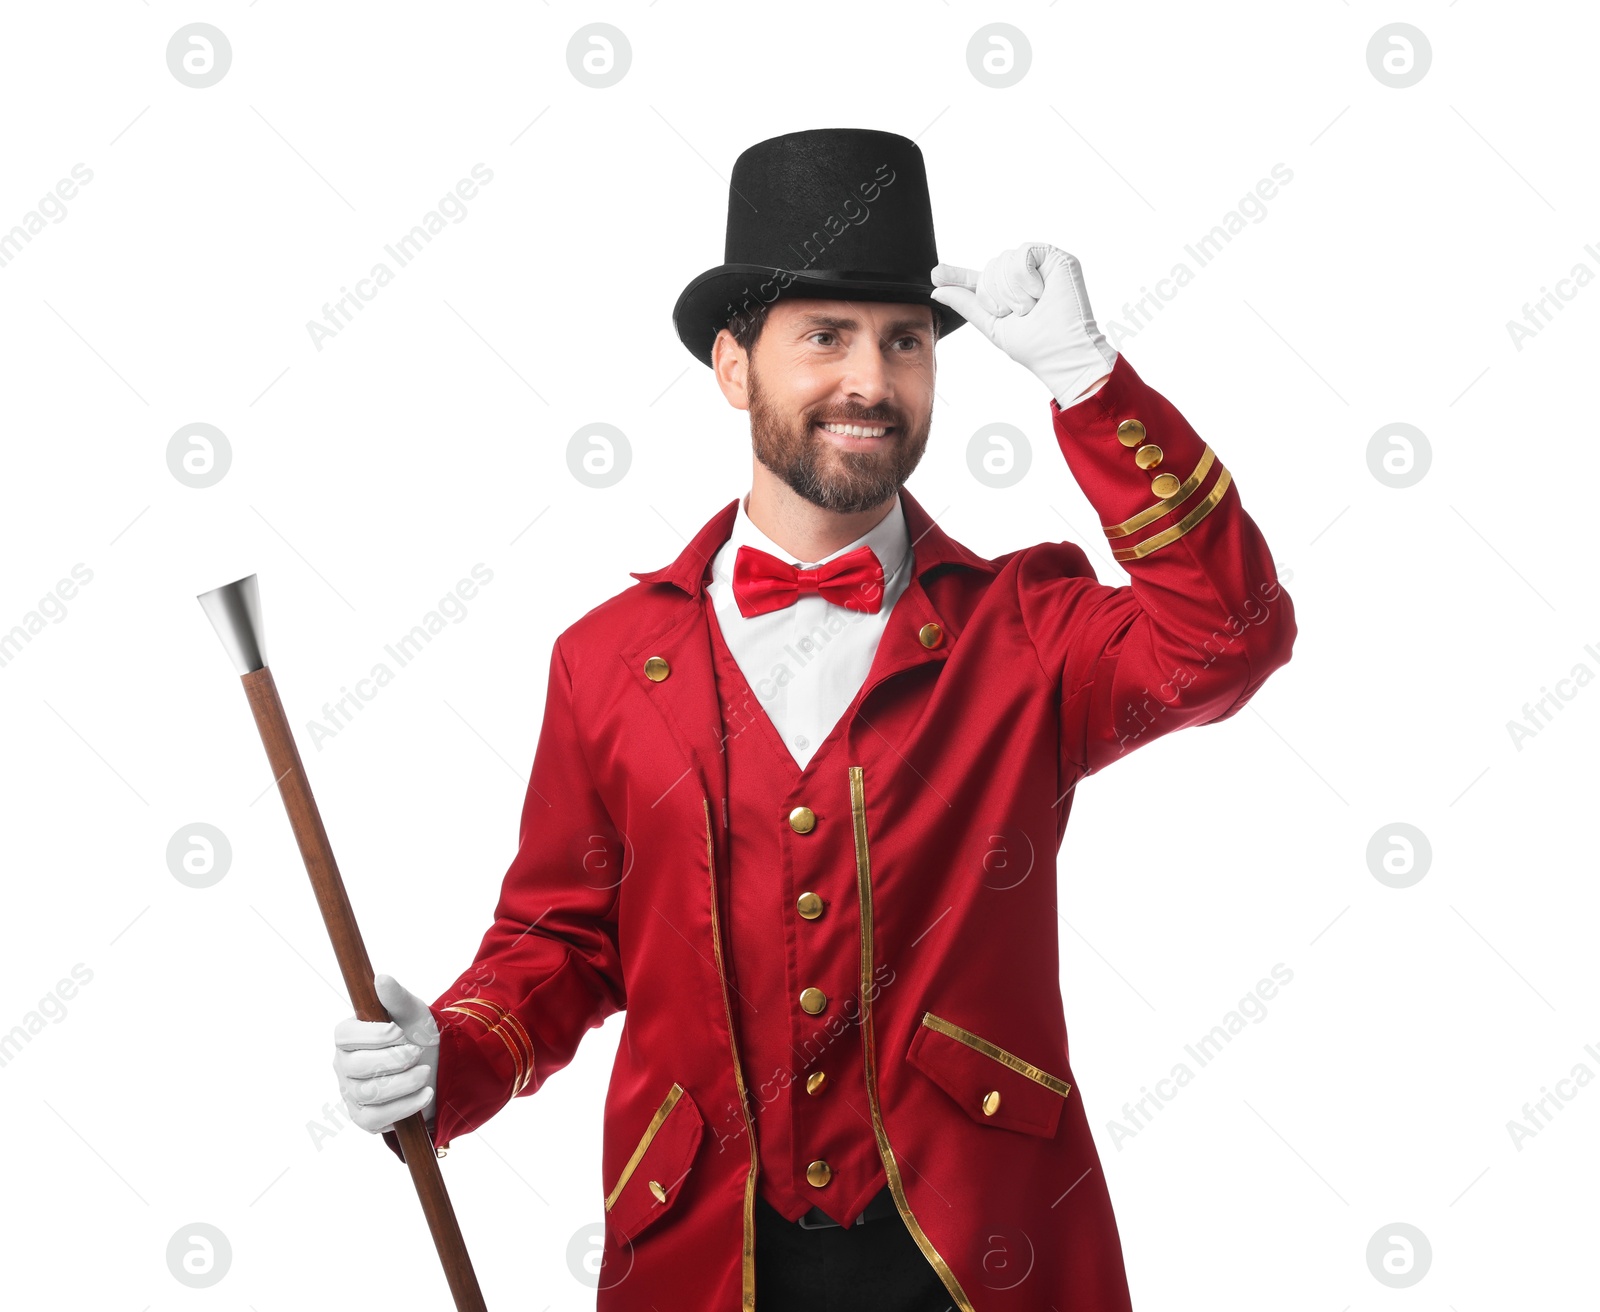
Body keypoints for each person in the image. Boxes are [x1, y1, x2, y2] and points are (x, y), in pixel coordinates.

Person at [332, 128, 1295, 1311]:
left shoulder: (1025, 632)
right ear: (735, 369)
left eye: (904, 343)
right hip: (700, 1251)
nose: (872, 382)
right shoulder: (602, 660)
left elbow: (1228, 637)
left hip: (984, 1244)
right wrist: (456, 1055)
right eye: (825, 338)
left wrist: (1093, 386)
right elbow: (565, 944)